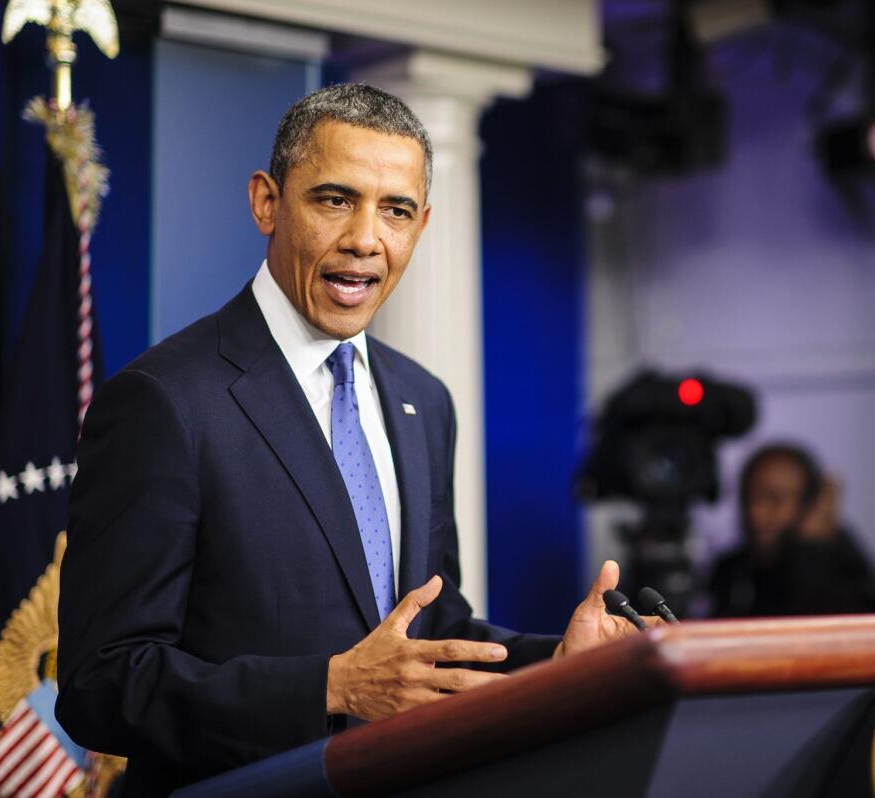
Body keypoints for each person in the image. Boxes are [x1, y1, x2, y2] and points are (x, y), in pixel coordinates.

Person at [56, 84, 643, 797]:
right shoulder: (164, 401)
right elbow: (100, 682)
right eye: (335, 199)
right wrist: (329, 687)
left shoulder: (424, 400)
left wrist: (560, 662)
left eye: (395, 210)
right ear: (267, 202)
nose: (366, 238)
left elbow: (429, 634)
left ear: (421, 226)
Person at [707, 443, 875, 617]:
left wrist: (812, 547)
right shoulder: (730, 570)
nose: (755, 513)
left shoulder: (845, 571)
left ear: (809, 503)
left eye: (774, 499)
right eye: (748, 497)